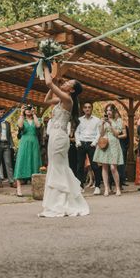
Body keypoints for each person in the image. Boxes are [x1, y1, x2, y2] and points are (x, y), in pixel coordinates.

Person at [38, 65, 89, 218]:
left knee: (57, 167)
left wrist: (45, 67)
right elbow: (46, 99)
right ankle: (58, 201)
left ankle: (59, 203)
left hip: (59, 137)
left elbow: (48, 83)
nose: (65, 83)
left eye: (69, 83)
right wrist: (55, 85)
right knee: (55, 166)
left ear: (72, 90)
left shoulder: (67, 99)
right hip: (54, 135)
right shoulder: (61, 99)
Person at [93, 103, 125, 196]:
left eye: (110, 110)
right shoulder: (102, 120)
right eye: (107, 110)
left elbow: (117, 134)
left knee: (113, 167)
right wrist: (103, 124)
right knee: (104, 166)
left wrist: (111, 124)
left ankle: (118, 188)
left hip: (114, 143)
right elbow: (101, 133)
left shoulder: (118, 120)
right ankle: (106, 188)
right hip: (104, 143)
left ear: (114, 111)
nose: (108, 112)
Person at [74, 102, 103, 195]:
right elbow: (76, 132)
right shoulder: (79, 120)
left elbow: (99, 133)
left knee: (95, 166)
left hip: (92, 144)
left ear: (92, 109)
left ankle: (97, 186)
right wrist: (78, 142)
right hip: (81, 144)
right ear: (83, 109)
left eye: (89, 107)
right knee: (79, 166)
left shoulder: (97, 120)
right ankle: (80, 186)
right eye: (85, 107)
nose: (87, 109)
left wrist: (94, 143)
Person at [14, 104, 42, 197]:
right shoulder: (22, 119)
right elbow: (20, 125)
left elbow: (38, 126)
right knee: (21, 163)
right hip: (24, 142)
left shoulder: (36, 119)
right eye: (27, 108)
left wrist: (34, 114)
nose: (29, 110)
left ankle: (36, 189)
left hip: (34, 142)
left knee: (35, 163)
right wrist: (21, 113)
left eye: (30, 108)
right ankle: (18, 189)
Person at [0, 106, 15, 187]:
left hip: (6, 144)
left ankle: (11, 181)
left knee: (8, 163)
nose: (2, 114)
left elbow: (9, 135)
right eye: (0, 112)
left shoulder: (7, 123)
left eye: (3, 112)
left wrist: (12, 145)